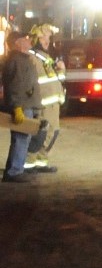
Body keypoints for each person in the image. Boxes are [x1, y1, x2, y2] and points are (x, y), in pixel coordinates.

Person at [4, 20, 44, 183]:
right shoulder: (16, 60)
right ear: (18, 43)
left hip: (29, 105)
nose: (28, 41)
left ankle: (16, 168)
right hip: (23, 106)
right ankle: (14, 171)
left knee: (24, 138)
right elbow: (15, 86)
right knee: (21, 138)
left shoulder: (23, 59)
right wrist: (16, 107)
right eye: (25, 39)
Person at [25, 23, 64, 172]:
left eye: (48, 38)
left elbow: (55, 79)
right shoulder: (31, 57)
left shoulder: (45, 57)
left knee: (52, 134)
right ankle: (28, 164)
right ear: (35, 40)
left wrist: (61, 71)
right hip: (42, 105)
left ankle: (41, 162)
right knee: (39, 134)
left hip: (53, 104)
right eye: (43, 38)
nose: (47, 41)